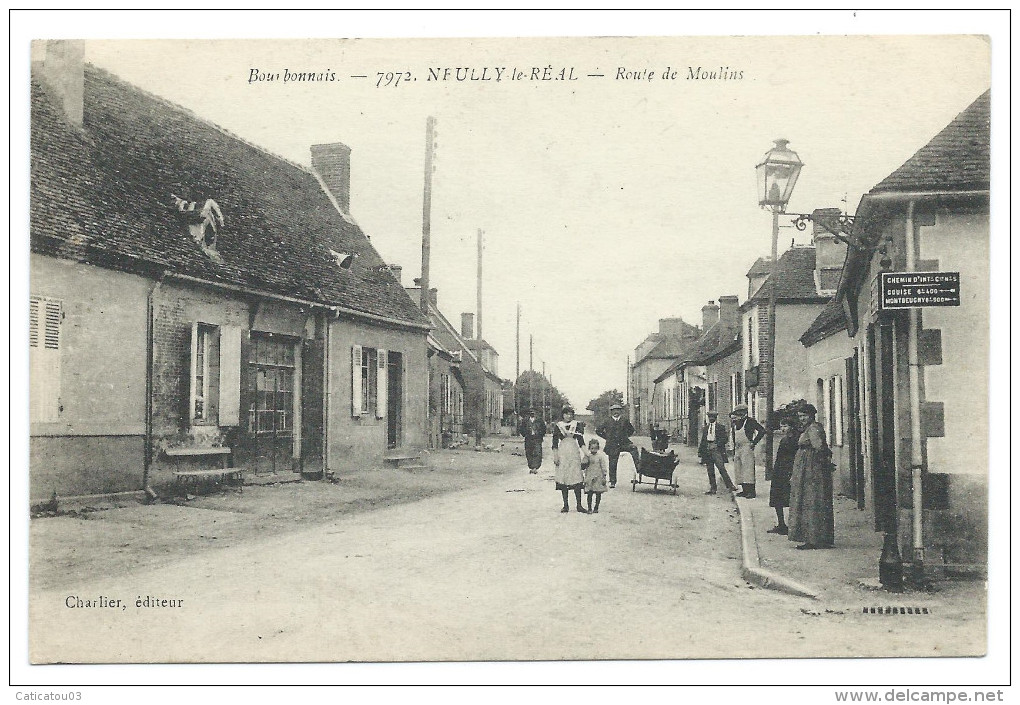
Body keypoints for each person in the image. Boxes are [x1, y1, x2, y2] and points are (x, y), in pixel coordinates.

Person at [787, 403, 835, 549]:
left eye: (804, 416)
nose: (802, 419)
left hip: (811, 469)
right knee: (808, 499)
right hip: (806, 467)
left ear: (811, 415)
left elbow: (819, 447)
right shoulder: (809, 428)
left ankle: (813, 538)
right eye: (800, 416)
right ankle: (815, 537)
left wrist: (818, 467)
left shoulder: (813, 428)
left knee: (811, 499)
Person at [552, 406, 587, 513]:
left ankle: (579, 505)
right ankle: (565, 505)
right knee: (564, 478)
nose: (569, 416)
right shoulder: (558, 426)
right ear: (563, 415)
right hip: (563, 453)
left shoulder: (577, 425)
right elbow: (554, 443)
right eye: (566, 414)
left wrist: (586, 455)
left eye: (571, 414)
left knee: (576, 477)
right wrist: (556, 456)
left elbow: (581, 442)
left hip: (573, 452)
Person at [596, 403, 640, 489]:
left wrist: (625, 437)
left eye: (618, 410)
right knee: (612, 463)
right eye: (614, 410)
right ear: (611, 412)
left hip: (624, 443)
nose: (616, 412)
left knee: (634, 449)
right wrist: (607, 437)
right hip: (612, 445)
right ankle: (613, 481)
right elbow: (598, 430)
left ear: (620, 411)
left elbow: (631, 430)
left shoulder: (625, 420)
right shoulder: (607, 421)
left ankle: (638, 467)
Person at [768, 415, 799, 534]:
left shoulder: (796, 439)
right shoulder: (784, 439)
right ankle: (781, 524)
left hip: (790, 470)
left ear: (791, 427)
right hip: (780, 471)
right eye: (781, 427)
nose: (783, 429)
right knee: (777, 498)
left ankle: (793, 525)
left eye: (785, 426)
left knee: (792, 498)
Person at [729, 404, 767, 498]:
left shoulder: (750, 421)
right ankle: (744, 490)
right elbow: (734, 436)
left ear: (745, 412)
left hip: (747, 447)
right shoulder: (736, 422)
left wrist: (754, 442)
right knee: (739, 469)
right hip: (738, 448)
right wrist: (733, 449)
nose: (738, 414)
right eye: (737, 412)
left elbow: (762, 431)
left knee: (748, 469)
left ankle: (751, 492)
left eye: (740, 412)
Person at [698, 410, 737, 495]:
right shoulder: (706, 428)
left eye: (713, 417)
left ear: (715, 418)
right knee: (710, 470)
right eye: (710, 417)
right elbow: (703, 440)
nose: (711, 418)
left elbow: (725, 439)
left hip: (717, 451)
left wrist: (717, 444)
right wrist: (700, 452)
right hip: (707, 450)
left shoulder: (720, 427)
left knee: (721, 468)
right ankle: (713, 488)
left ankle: (730, 486)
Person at [582, 438, 610, 513]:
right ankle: (589, 508)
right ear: (589, 448)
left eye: (595, 448)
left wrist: (604, 475)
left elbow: (603, 466)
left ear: (598, 448)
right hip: (590, 476)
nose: (593, 450)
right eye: (592, 448)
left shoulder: (600, 457)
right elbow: (583, 466)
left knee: (598, 493)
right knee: (589, 493)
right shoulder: (588, 456)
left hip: (598, 476)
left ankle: (596, 507)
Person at [517, 408, 546, 473]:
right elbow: (521, 429)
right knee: (529, 452)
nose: (532, 413)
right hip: (528, 438)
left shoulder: (540, 420)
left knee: (537, 452)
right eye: (531, 412)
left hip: (537, 438)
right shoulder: (525, 421)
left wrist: (540, 435)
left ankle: (535, 467)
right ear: (529, 414)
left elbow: (544, 429)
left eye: (533, 412)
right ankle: (531, 466)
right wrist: (525, 434)